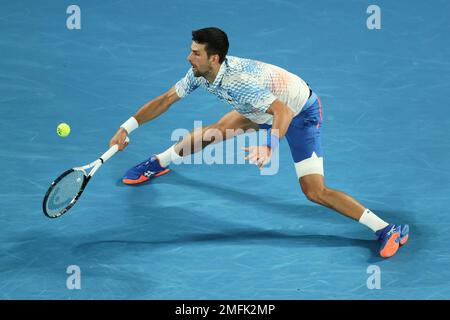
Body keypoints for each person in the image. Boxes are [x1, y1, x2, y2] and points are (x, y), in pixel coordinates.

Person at [109, 27, 409, 258]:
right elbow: (166, 100)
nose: (189, 58)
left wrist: (269, 145)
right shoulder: (200, 73)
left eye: (196, 53)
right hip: (262, 106)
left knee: (314, 191)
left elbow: (283, 112)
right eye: (191, 51)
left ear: (214, 58)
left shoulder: (238, 82)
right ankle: (159, 163)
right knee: (212, 133)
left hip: (299, 113)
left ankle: (387, 229)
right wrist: (127, 127)